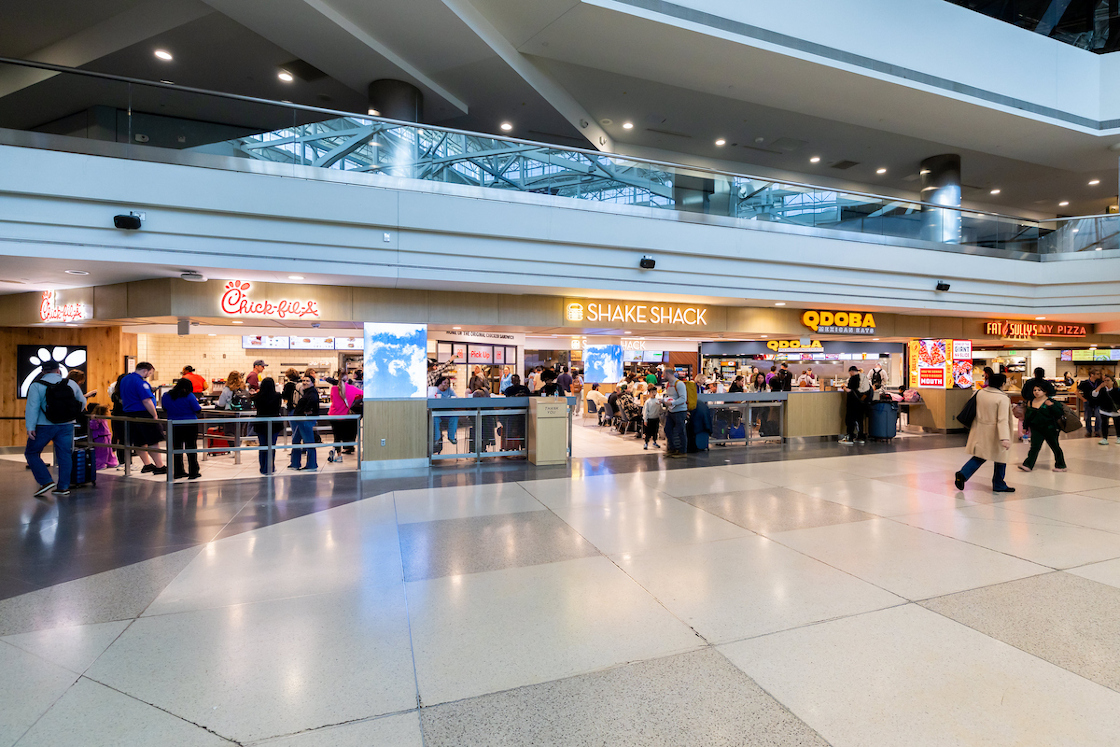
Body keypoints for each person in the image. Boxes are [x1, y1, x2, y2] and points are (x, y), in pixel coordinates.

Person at [25, 359, 87, 497]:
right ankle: (63, 487)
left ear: (43, 371)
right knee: (65, 455)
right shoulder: (70, 383)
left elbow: (32, 407)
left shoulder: (37, 385)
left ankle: (46, 481)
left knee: (31, 452)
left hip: (44, 425)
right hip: (67, 425)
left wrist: (30, 426)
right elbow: (82, 401)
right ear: (58, 370)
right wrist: (72, 415)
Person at [955, 372, 1015, 493]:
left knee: (981, 455)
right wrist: (1005, 438)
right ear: (1002, 384)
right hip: (996, 432)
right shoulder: (1002, 398)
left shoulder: (980, 393)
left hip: (980, 429)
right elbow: (1002, 420)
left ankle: (963, 473)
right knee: (1001, 457)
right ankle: (999, 483)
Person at [118, 362, 167, 475]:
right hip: (144, 414)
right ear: (145, 371)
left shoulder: (125, 379)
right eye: (149, 373)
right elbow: (146, 400)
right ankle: (160, 466)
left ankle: (147, 464)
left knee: (139, 442)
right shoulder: (140, 382)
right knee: (153, 441)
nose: (148, 376)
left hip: (129, 414)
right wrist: (154, 415)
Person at [1019, 384, 1068, 472]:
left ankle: (1061, 465)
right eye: (1035, 390)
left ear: (1045, 392)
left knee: (1055, 446)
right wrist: (1025, 427)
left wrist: (1051, 406)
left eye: (1039, 390)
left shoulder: (1051, 402)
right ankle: (1028, 465)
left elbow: (1059, 414)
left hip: (1050, 428)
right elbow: (1028, 416)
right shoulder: (1031, 402)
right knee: (1034, 447)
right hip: (1036, 428)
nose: (1036, 392)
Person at [160, 377, 202, 480]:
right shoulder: (189, 395)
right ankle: (193, 471)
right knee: (191, 447)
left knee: (176, 448)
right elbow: (197, 409)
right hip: (190, 424)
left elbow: (164, 408)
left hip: (173, 424)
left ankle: (178, 471)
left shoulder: (166, 395)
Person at [327, 376, 363, 461]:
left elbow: (332, 399)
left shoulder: (333, 388)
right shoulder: (352, 389)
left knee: (336, 435)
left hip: (332, 415)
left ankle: (336, 452)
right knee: (339, 436)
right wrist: (354, 397)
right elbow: (363, 394)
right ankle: (338, 454)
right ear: (347, 380)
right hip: (343, 416)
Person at [289, 374, 320, 470]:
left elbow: (313, 404)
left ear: (312, 383)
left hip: (305, 420)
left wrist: (306, 411)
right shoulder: (308, 392)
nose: (305, 383)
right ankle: (295, 463)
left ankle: (311, 464)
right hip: (301, 420)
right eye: (304, 381)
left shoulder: (312, 393)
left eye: (307, 381)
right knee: (296, 440)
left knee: (308, 442)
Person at [254, 377, 284, 474]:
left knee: (262, 446)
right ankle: (270, 467)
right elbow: (278, 407)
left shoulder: (257, 396)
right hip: (274, 424)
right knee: (271, 446)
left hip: (261, 424)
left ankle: (262, 467)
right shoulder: (277, 396)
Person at [430, 376, 458, 453]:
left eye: (448, 383)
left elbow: (456, 398)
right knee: (435, 419)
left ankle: (451, 437)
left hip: (447, 412)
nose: (446, 385)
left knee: (454, 416)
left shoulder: (450, 390)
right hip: (437, 413)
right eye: (445, 383)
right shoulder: (435, 390)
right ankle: (437, 439)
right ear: (440, 383)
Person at [664, 371, 687, 458]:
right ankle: (672, 449)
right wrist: (663, 400)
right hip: (671, 411)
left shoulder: (679, 384)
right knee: (667, 429)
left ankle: (682, 451)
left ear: (668, 374)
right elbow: (669, 396)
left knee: (681, 431)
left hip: (680, 411)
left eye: (664, 374)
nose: (662, 376)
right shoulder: (668, 385)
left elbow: (683, 398)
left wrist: (672, 403)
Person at [840, 366, 865, 444]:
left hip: (853, 402)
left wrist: (844, 387)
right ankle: (860, 437)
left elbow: (850, 390)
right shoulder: (863, 378)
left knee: (850, 420)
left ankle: (850, 438)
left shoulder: (853, 378)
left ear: (851, 371)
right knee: (859, 420)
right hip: (861, 403)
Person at [1093, 374, 1120, 445]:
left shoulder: (1117, 390)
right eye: (1105, 380)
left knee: (1117, 424)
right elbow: (1094, 394)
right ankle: (1104, 438)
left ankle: (1119, 437)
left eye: (1108, 380)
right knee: (1104, 424)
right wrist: (1100, 387)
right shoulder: (1102, 390)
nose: (1106, 382)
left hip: (1115, 410)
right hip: (1104, 410)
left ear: (1112, 382)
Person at [88, 405, 118, 471]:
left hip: (105, 436)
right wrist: (93, 420)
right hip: (100, 437)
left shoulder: (103, 418)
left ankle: (110, 463)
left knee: (108, 451)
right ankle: (100, 465)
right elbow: (94, 427)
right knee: (102, 452)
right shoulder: (97, 419)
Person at [1078, 370, 1102, 439]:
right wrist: (1083, 399)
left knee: (1098, 416)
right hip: (1088, 402)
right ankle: (1088, 431)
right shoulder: (1084, 383)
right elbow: (1076, 391)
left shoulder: (1099, 382)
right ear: (1092, 374)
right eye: (1097, 374)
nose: (1099, 375)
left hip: (1098, 402)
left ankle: (1097, 431)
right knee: (1088, 417)